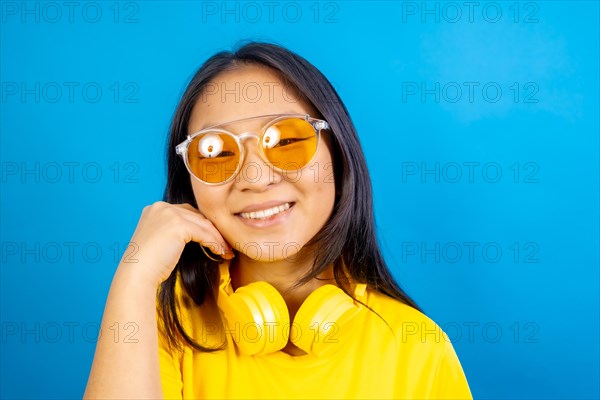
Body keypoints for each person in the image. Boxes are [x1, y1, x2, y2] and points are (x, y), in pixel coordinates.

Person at [84, 41, 472, 399]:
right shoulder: (162, 325)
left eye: (286, 140)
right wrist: (133, 278)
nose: (255, 178)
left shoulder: (417, 346)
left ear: (337, 153)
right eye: (216, 151)